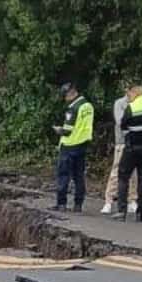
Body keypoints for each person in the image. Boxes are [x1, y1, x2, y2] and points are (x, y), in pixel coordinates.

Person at [112, 85, 142, 222]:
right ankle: (141, 213)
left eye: (130, 95)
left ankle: (121, 211)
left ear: (135, 93)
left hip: (133, 147)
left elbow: (123, 125)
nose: (129, 98)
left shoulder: (132, 107)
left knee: (123, 177)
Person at [51, 82, 94, 213]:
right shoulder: (88, 106)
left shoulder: (73, 108)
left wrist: (59, 130)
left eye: (65, 96)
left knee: (63, 175)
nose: (65, 99)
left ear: (70, 94)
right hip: (83, 144)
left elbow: (67, 130)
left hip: (69, 145)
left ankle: (61, 204)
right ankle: (78, 205)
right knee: (79, 176)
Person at [102, 89, 138, 215]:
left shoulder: (139, 103)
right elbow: (120, 121)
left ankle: (132, 200)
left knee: (133, 172)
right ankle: (109, 200)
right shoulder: (120, 103)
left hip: (135, 142)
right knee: (116, 171)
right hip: (122, 142)